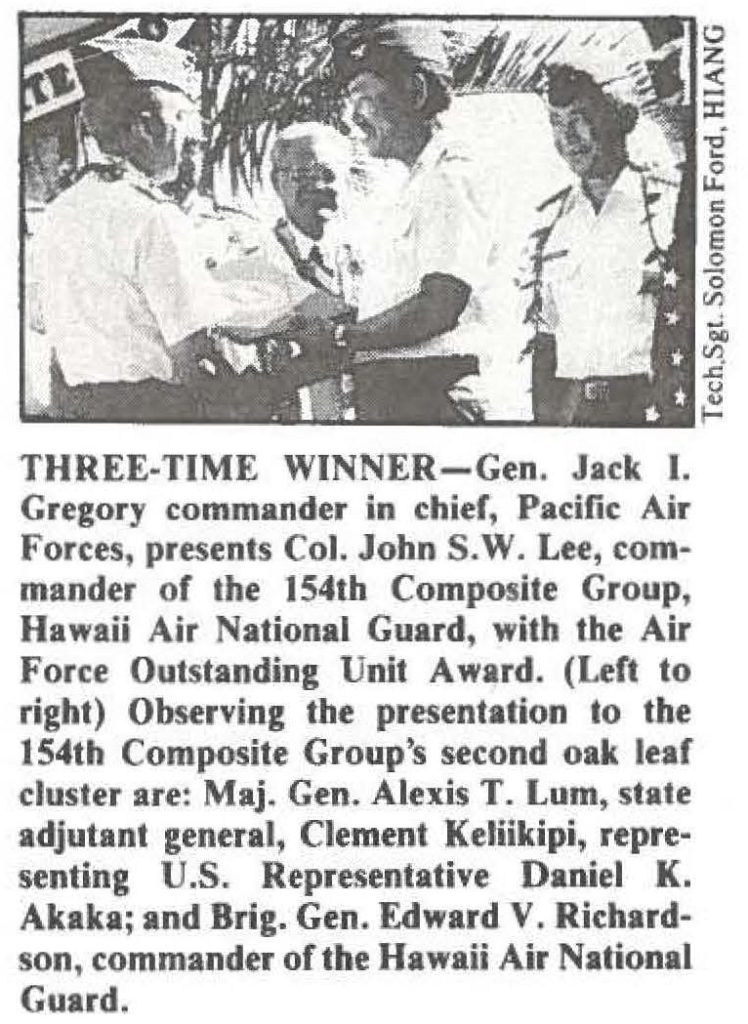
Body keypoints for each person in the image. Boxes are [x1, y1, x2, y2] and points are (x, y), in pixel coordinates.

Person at [34, 40, 251, 421]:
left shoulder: (57, 214)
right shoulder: (153, 216)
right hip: (154, 414)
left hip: (77, 416)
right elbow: (194, 362)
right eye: (182, 118)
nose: (191, 137)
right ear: (146, 126)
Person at [292, 20, 496, 424]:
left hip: (430, 393)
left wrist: (339, 338)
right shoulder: (411, 186)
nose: (351, 117)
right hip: (397, 393)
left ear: (415, 92)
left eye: (362, 98)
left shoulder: (449, 177)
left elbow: (438, 306)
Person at [521, 61, 682, 426]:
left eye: (580, 118)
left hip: (650, 405)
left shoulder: (671, 205)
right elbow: (546, 336)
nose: (569, 138)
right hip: (574, 408)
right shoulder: (552, 221)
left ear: (623, 117)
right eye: (556, 123)